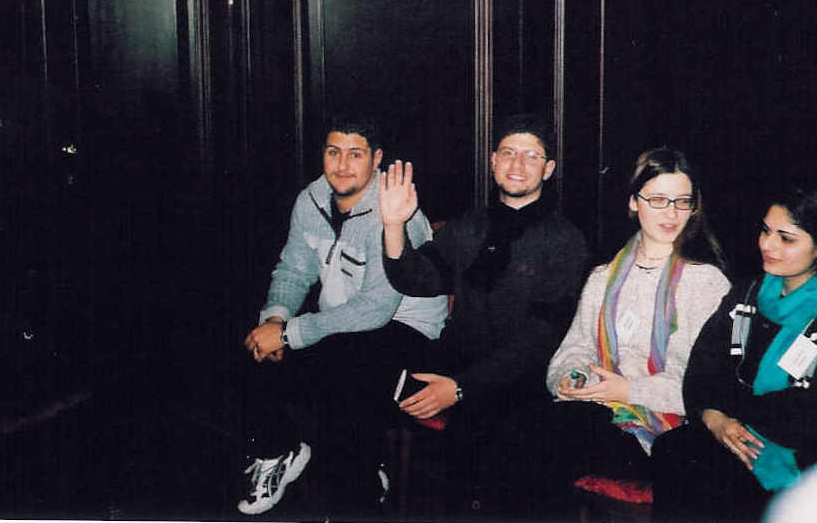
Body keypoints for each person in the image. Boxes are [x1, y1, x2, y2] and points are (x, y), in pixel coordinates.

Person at [235, 115, 448, 516]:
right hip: (344, 323)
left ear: (377, 159)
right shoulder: (311, 199)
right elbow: (294, 269)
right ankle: (278, 451)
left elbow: (377, 309)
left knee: (346, 377)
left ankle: (360, 488)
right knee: (256, 348)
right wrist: (276, 319)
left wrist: (291, 334)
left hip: (408, 330)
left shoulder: (395, 210)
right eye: (334, 152)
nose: (343, 165)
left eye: (355, 154)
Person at [380, 113, 590, 516]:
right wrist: (393, 225)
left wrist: (461, 388)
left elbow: (538, 340)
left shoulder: (565, 239)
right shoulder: (470, 225)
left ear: (548, 169)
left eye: (531, 156)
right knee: (367, 372)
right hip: (459, 361)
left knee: (483, 443)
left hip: (520, 381)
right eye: (508, 153)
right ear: (493, 161)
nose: (518, 164)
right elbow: (416, 279)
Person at [650, 184, 817, 522]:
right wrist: (714, 418)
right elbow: (704, 365)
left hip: (798, 452)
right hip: (731, 429)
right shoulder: (749, 291)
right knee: (676, 449)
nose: (767, 244)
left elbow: (811, 410)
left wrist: (729, 411)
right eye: (765, 231)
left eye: (785, 238)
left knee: (704, 470)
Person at [543, 147, 731, 497]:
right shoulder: (603, 277)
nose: (671, 214)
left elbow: (705, 386)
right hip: (600, 410)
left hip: (663, 427)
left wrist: (628, 390)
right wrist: (571, 377)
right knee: (533, 429)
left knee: (557, 435)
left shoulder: (705, 283)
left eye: (682, 202)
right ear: (634, 202)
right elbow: (576, 347)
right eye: (658, 200)